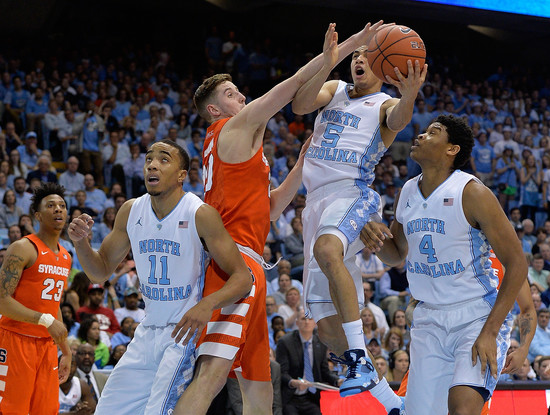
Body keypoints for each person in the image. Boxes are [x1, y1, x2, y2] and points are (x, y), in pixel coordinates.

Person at [177, 22, 393, 415]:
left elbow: (272, 209)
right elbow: (293, 85)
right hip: (234, 263)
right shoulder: (233, 126)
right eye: (230, 93)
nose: (241, 95)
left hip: (251, 261)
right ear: (214, 109)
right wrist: (343, 51)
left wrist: (299, 165)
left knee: (259, 382)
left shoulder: (240, 149)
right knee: (211, 374)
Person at [289, 24, 427, 414]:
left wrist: (410, 94)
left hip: (353, 194)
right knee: (329, 329)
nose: (360, 60)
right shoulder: (333, 91)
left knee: (327, 249)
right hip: (314, 204)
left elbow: (398, 120)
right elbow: (300, 104)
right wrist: (327, 59)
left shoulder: (383, 104)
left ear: (383, 64)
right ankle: (392, 403)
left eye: (368, 55)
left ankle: (361, 361)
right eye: (355, 56)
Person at [67, 139, 253, 414]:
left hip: (182, 335)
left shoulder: (199, 213)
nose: (152, 164)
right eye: (148, 159)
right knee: (107, 409)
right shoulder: (131, 210)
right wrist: (81, 243)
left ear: (181, 175)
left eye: (164, 159)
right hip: (146, 330)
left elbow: (243, 278)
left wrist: (206, 305)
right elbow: (100, 270)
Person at [361, 115, 527, 415]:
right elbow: (396, 253)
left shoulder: (472, 192)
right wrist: (369, 230)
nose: (421, 135)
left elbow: (517, 265)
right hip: (428, 320)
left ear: (452, 149)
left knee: (462, 409)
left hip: (475, 317)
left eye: (432, 132)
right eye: (423, 131)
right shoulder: (408, 191)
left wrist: (489, 333)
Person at [0, 182, 72, 414]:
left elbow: (54, 306)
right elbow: (2, 300)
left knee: (47, 410)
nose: (58, 209)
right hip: (15, 340)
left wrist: (66, 350)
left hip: (47, 346)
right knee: (13, 410)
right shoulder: (23, 247)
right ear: (38, 215)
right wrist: (46, 320)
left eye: (62, 205)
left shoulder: (65, 257)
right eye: (51, 205)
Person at [276, 314, 338, 415]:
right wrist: (293, 382)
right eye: (303, 319)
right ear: (297, 323)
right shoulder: (285, 342)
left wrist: (338, 380)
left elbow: (324, 371)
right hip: (290, 397)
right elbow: (282, 372)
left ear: (315, 323)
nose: (307, 322)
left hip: (310, 397)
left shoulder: (320, 343)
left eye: (310, 319)